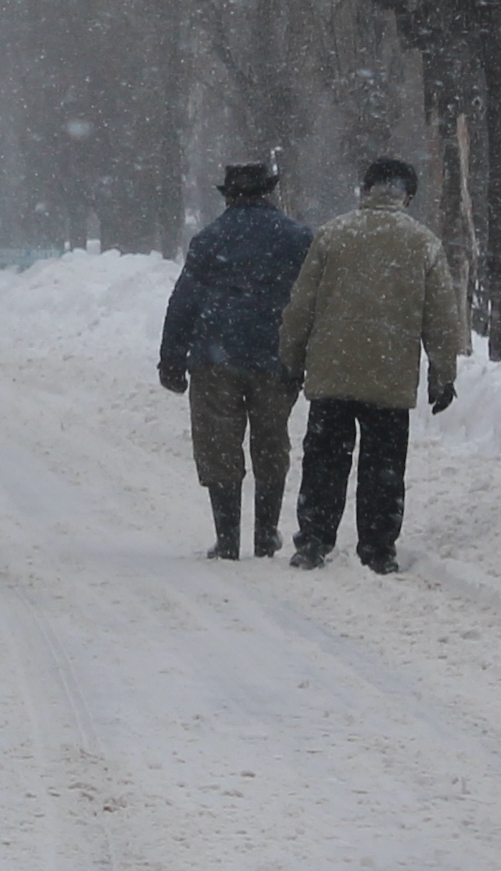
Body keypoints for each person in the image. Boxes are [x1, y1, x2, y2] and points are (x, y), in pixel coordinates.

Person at [273, 155, 464, 572]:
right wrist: (443, 374)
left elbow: (300, 306)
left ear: (366, 189)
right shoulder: (423, 243)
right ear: (407, 195)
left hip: (332, 373)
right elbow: (443, 320)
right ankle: (378, 549)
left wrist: (291, 359)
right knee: (384, 468)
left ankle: (314, 541)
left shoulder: (332, 235)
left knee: (325, 460)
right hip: (389, 378)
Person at [157, 160, 312, 557]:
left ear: (229, 196)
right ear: (269, 192)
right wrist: (310, 354)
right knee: (271, 442)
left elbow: (184, 302)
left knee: (219, 444)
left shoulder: (210, 240)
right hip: (276, 355)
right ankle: (265, 533)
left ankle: (228, 538)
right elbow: (313, 301)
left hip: (215, 355)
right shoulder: (298, 239)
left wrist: (171, 360)